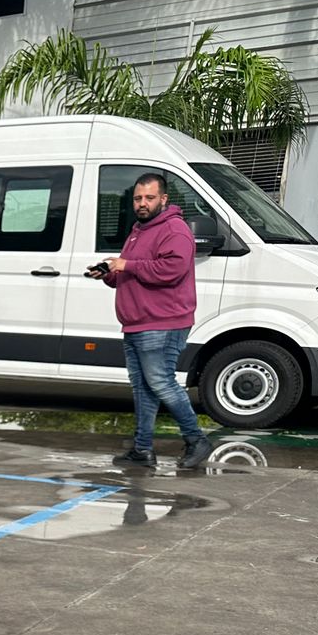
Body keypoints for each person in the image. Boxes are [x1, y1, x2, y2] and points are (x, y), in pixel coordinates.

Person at [88, 172, 214, 469]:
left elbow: (172, 269)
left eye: (149, 198)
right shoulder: (139, 230)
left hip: (163, 322)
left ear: (164, 199)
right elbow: (129, 275)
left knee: (161, 383)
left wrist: (126, 264)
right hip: (136, 323)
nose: (142, 204)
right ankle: (142, 450)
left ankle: (197, 440)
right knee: (143, 388)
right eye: (137, 198)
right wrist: (109, 273)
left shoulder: (175, 229)